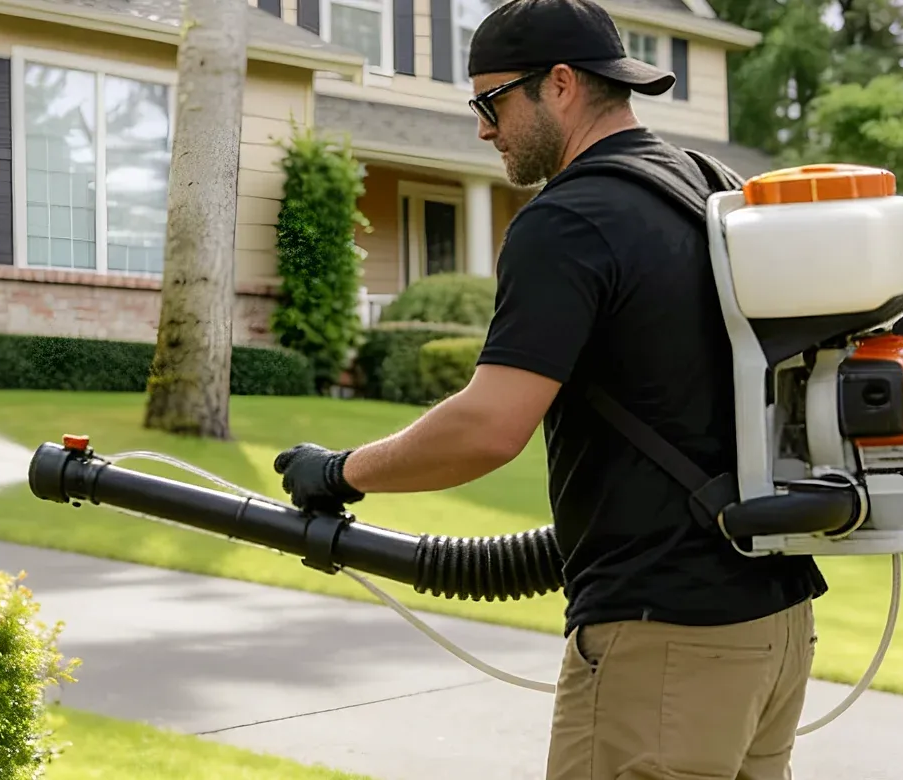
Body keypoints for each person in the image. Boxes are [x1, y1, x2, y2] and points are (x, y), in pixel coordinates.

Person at [271, 0, 827, 778]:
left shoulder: (567, 220)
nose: (482, 129)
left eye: (490, 101)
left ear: (559, 85)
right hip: (774, 624)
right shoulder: (710, 187)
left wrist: (340, 472)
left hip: (663, 638)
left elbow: (490, 426)